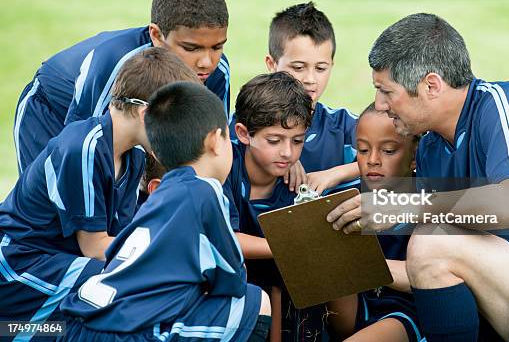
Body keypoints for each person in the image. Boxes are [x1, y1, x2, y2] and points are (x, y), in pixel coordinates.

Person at [327, 13, 509, 341]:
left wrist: (403, 206)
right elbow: (435, 264)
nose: (380, 104)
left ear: (431, 85)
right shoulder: (432, 147)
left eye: (386, 91)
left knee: (432, 243)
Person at [0, 48, 200, 332]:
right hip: (22, 265)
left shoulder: (134, 157)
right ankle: (18, 332)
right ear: (146, 114)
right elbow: (95, 248)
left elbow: (120, 236)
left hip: (62, 261)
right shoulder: (84, 148)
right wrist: (168, 255)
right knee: (123, 286)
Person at [60, 81, 270, 342]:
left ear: (156, 152)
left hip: (82, 319)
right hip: (129, 332)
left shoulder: (159, 194)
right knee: (255, 301)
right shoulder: (206, 191)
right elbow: (232, 279)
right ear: (216, 141)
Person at [14, 0, 231, 174]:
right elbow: (81, 143)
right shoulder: (116, 62)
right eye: (191, 48)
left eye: (217, 47)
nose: (207, 62)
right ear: (156, 35)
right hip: (51, 111)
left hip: (126, 129)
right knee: (59, 194)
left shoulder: (218, 71)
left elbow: (214, 147)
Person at [231, 2, 359, 194]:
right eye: (298, 67)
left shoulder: (342, 125)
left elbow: (399, 156)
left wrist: (336, 174)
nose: (310, 79)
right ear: (272, 64)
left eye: (321, 68)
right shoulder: (246, 122)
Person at [224, 71, 313, 340]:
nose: (287, 152)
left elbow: (276, 283)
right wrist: (286, 245)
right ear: (243, 133)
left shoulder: (294, 189)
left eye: (297, 141)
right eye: (274, 141)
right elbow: (223, 238)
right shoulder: (223, 166)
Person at [327, 103, 422, 342]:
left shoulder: (428, 203)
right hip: (353, 310)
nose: (373, 160)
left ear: (414, 156)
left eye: (389, 150)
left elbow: (427, 277)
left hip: (405, 311)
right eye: (362, 150)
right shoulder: (347, 200)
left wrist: (364, 266)